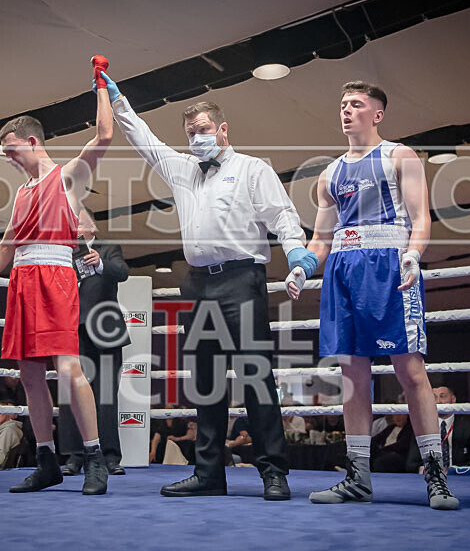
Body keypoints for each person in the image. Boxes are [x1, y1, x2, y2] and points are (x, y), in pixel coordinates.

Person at [102, 71, 318, 501]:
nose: (197, 137)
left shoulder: (253, 168)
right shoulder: (182, 169)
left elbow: (283, 218)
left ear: (222, 129)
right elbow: (141, 137)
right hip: (198, 284)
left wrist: (298, 258)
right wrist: (115, 99)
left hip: (242, 280)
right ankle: (209, 474)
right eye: (190, 132)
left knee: (256, 379)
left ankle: (274, 473)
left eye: (203, 130)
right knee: (206, 381)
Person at [289, 81, 458, 509]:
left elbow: (422, 217)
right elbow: (320, 238)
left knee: (412, 373)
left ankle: (436, 476)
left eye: (356, 104)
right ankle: (357, 477)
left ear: (377, 114)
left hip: (390, 267)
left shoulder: (400, 156)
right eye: (343, 103)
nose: (346, 110)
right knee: (352, 378)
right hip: (343, 272)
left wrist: (414, 255)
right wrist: (302, 268)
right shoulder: (330, 173)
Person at [0, 57, 114, 495]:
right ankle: (46, 460)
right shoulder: (22, 193)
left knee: (67, 369)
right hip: (23, 282)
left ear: (31, 141)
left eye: (11, 150)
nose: (8, 158)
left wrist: (100, 84)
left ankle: (94, 458)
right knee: (29, 376)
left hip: (55, 276)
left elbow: (103, 136)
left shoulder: (66, 178)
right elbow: (7, 244)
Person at [59, 208, 131, 476]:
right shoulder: (65, 251)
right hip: (73, 329)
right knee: (72, 394)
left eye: (79, 219)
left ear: (92, 224)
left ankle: (111, 456)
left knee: (107, 394)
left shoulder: (108, 246)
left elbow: (122, 272)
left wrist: (100, 263)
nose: (75, 224)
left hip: (106, 329)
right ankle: (74, 456)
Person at [406, 385, 470, 472]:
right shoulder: (421, 426)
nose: (438, 401)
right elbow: (411, 464)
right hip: (431, 479)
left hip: (461, 478)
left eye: (443, 396)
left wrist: (454, 470)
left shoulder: (469, 426)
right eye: (434, 397)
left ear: (453, 399)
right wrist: (427, 470)